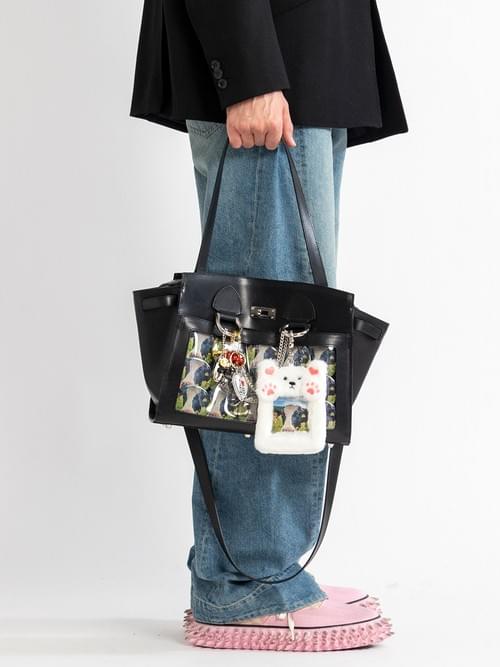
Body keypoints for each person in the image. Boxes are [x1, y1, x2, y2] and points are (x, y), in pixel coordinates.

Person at [130, 0, 408, 652]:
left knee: (278, 339)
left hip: (302, 68)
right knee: (264, 341)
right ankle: (247, 579)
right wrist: (250, 70)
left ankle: (255, 566)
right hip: (272, 67)